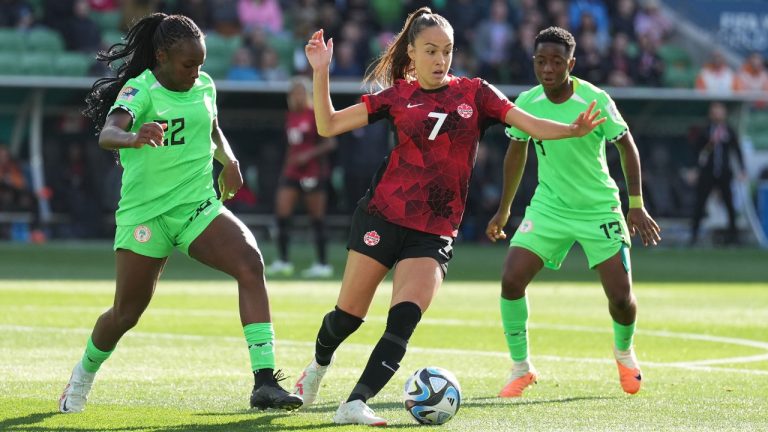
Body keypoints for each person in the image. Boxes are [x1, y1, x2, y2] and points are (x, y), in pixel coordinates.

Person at [291, 8, 605, 426]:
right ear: (413, 53)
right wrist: (321, 71)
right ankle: (317, 367)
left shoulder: (476, 93)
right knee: (347, 318)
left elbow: (528, 123)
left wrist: (569, 129)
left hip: (435, 231)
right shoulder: (397, 96)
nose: (441, 60)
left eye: (448, 51)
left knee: (403, 319)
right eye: (432, 51)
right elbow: (328, 125)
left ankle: (355, 402)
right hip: (382, 217)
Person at [59, 13, 302, 414]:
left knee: (250, 262)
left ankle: (264, 382)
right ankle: (81, 377)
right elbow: (108, 133)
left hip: (196, 207)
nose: (196, 72)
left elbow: (211, 127)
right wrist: (133, 137)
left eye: (201, 64)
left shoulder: (203, 85)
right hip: (146, 216)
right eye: (188, 65)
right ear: (162, 56)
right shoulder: (142, 90)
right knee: (126, 314)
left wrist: (230, 159)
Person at [485, 26, 662, 399]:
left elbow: (626, 145)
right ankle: (521, 368)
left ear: (571, 63)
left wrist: (635, 204)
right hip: (549, 207)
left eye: (556, 61)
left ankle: (625, 354)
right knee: (511, 280)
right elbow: (517, 151)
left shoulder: (594, 99)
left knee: (620, 296)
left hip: (599, 207)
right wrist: (504, 211)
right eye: (540, 61)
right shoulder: (528, 102)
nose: (547, 68)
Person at [266, 76, 337, 278]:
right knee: (281, 215)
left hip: (314, 172)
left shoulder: (315, 114)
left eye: (300, 92)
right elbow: (292, 146)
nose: (297, 96)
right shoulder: (291, 116)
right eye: (293, 93)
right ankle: (283, 261)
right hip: (292, 172)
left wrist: (308, 155)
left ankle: (323, 264)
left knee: (317, 219)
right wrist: (287, 164)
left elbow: (330, 143)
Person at [689, 101, 745, 246]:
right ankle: (694, 236)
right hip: (708, 173)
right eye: (715, 111)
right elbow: (697, 151)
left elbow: (737, 150)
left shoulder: (729, 130)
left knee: (729, 205)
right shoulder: (706, 130)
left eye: (720, 111)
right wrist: (695, 169)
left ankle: (734, 237)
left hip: (724, 173)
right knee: (700, 204)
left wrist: (742, 169)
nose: (718, 114)